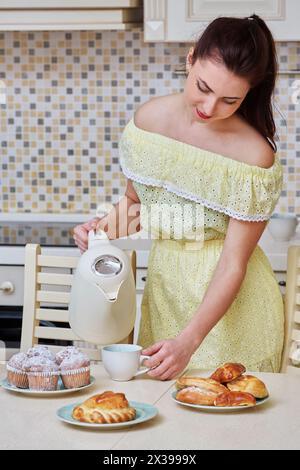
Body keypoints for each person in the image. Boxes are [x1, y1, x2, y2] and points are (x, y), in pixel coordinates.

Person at [73, 14, 284, 380]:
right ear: (190, 60)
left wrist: (190, 340)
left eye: (229, 100)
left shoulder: (254, 156)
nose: (209, 107)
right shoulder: (148, 121)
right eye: (203, 87)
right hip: (165, 293)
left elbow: (234, 263)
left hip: (232, 311)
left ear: (249, 93)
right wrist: (101, 230)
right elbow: (138, 204)